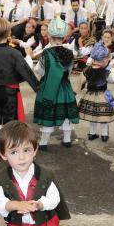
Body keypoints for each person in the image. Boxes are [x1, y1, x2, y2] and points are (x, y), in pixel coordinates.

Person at [0, 17, 39, 158]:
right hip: (10, 91)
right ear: (9, 32)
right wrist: (37, 87)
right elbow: (26, 71)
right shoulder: (14, 53)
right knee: (11, 120)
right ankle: (11, 148)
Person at [31, 17, 79, 149]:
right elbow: (69, 70)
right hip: (65, 87)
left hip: (49, 87)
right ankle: (67, 139)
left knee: (49, 112)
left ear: (50, 36)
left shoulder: (46, 53)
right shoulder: (70, 53)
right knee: (66, 114)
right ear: (64, 37)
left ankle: (44, 142)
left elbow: (39, 71)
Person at [78, 42, 114, 141]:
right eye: (108, 59)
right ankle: (104, 135)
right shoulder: (106, 72)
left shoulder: (87, 70)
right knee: (103, 117)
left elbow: (81, 80)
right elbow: (113, 79)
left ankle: (92, 133)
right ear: (104, 60)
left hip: (90, 95)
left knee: (92, 115)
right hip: (102, 96)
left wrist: (80, 88)